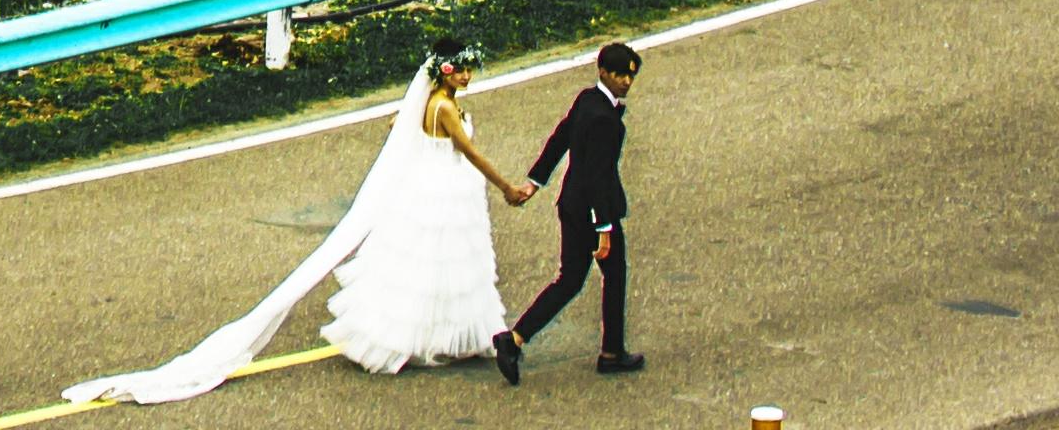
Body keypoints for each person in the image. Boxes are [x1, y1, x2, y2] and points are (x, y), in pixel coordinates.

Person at [69, 48, 526, 401]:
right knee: (443, 265)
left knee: (433, 267)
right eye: (461, 69)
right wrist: (507, 186)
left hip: (435, 188)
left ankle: (434, 336)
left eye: (469, 69)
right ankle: (435, 337)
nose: (466, 76)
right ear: (443, 71)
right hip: (444, 191)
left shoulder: (428, 102)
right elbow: (470, 153)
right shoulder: (444, 109)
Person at [492, 41, 643, 381]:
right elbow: (598, 176)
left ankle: (514, 340)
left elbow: (561, 137)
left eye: (631, 76)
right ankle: (612, 352)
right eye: (620, 75)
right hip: (593, 210)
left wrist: (535, 181)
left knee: (570, 280)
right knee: (613, 274)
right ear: (603, 71)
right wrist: (603, 228)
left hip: (571, 205)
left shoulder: (586, 99)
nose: (626, 82)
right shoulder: (607, 121)